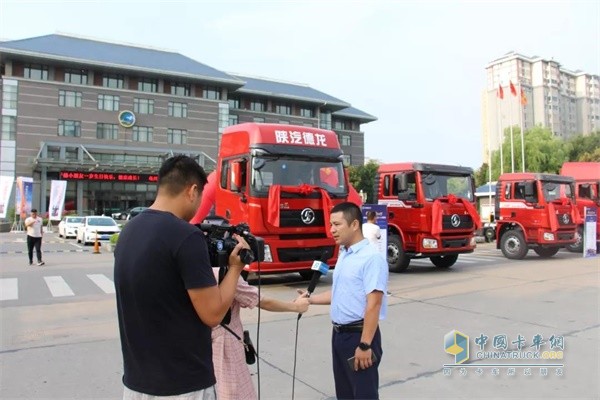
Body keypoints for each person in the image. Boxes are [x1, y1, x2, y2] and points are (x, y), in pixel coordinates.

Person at [114, 155, 251, 400]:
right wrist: (235, 268)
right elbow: (213, 314)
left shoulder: (128, 232)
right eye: (200, 199)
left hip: (136, 383)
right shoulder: (186, 236)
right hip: (183, 385)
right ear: (192, 191)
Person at [298, 202, 388, 399]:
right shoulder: (345, 254)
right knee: (345, 394)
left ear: (354, 224)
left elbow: (374, 304)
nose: (332, 230)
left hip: (359, 336)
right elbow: (340, 293)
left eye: (337, 225)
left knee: (363, 394)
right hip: (339, 335)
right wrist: (310, 299)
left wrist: (365, 345)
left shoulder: (371, 258)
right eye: (331, 225)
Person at [210, 268, 310, 400]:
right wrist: (296, 307)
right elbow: (261, 301)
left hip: (198, 347)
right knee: (233, 392)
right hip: (226, 346)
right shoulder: (223, 275)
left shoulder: (192, 271)